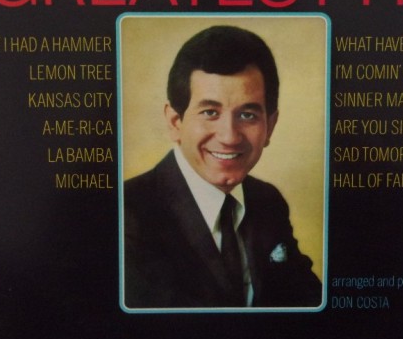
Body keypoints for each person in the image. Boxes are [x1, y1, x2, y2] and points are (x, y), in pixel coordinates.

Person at [123, 25, 322, 309]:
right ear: (175, 122)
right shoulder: (126, 213)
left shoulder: (268, 201)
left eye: (248, 114)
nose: (229, 137)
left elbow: (311, 304)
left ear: (270, 125)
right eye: (210, 112)